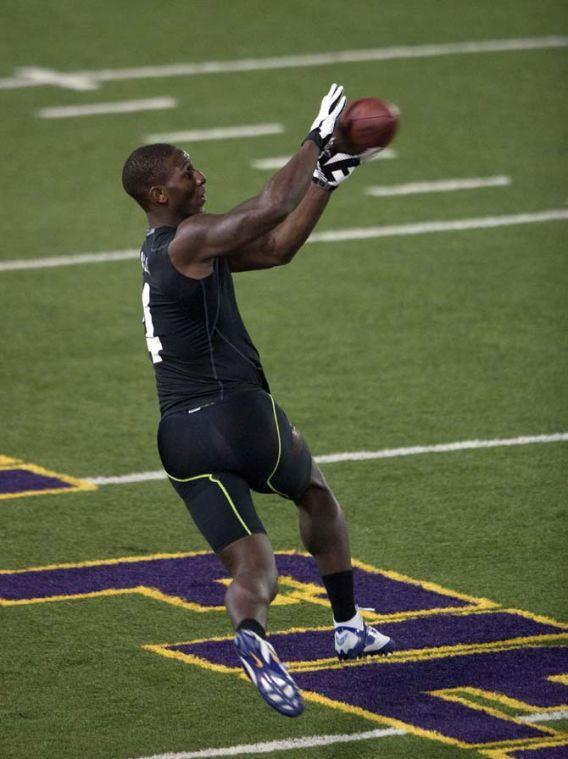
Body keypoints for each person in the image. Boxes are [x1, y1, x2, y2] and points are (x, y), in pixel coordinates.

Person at [121, 84, 393, 718]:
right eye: (187, 170)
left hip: (178, 437)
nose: (199, 173)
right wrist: (314, 139)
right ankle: (348, 625)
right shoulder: (190, 242)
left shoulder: (173, 251)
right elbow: (270, 208)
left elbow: (277, 249)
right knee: (316, 492)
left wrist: (327, 177)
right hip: (237, 414)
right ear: (159, 195)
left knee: (254, 570)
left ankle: (251, 635)